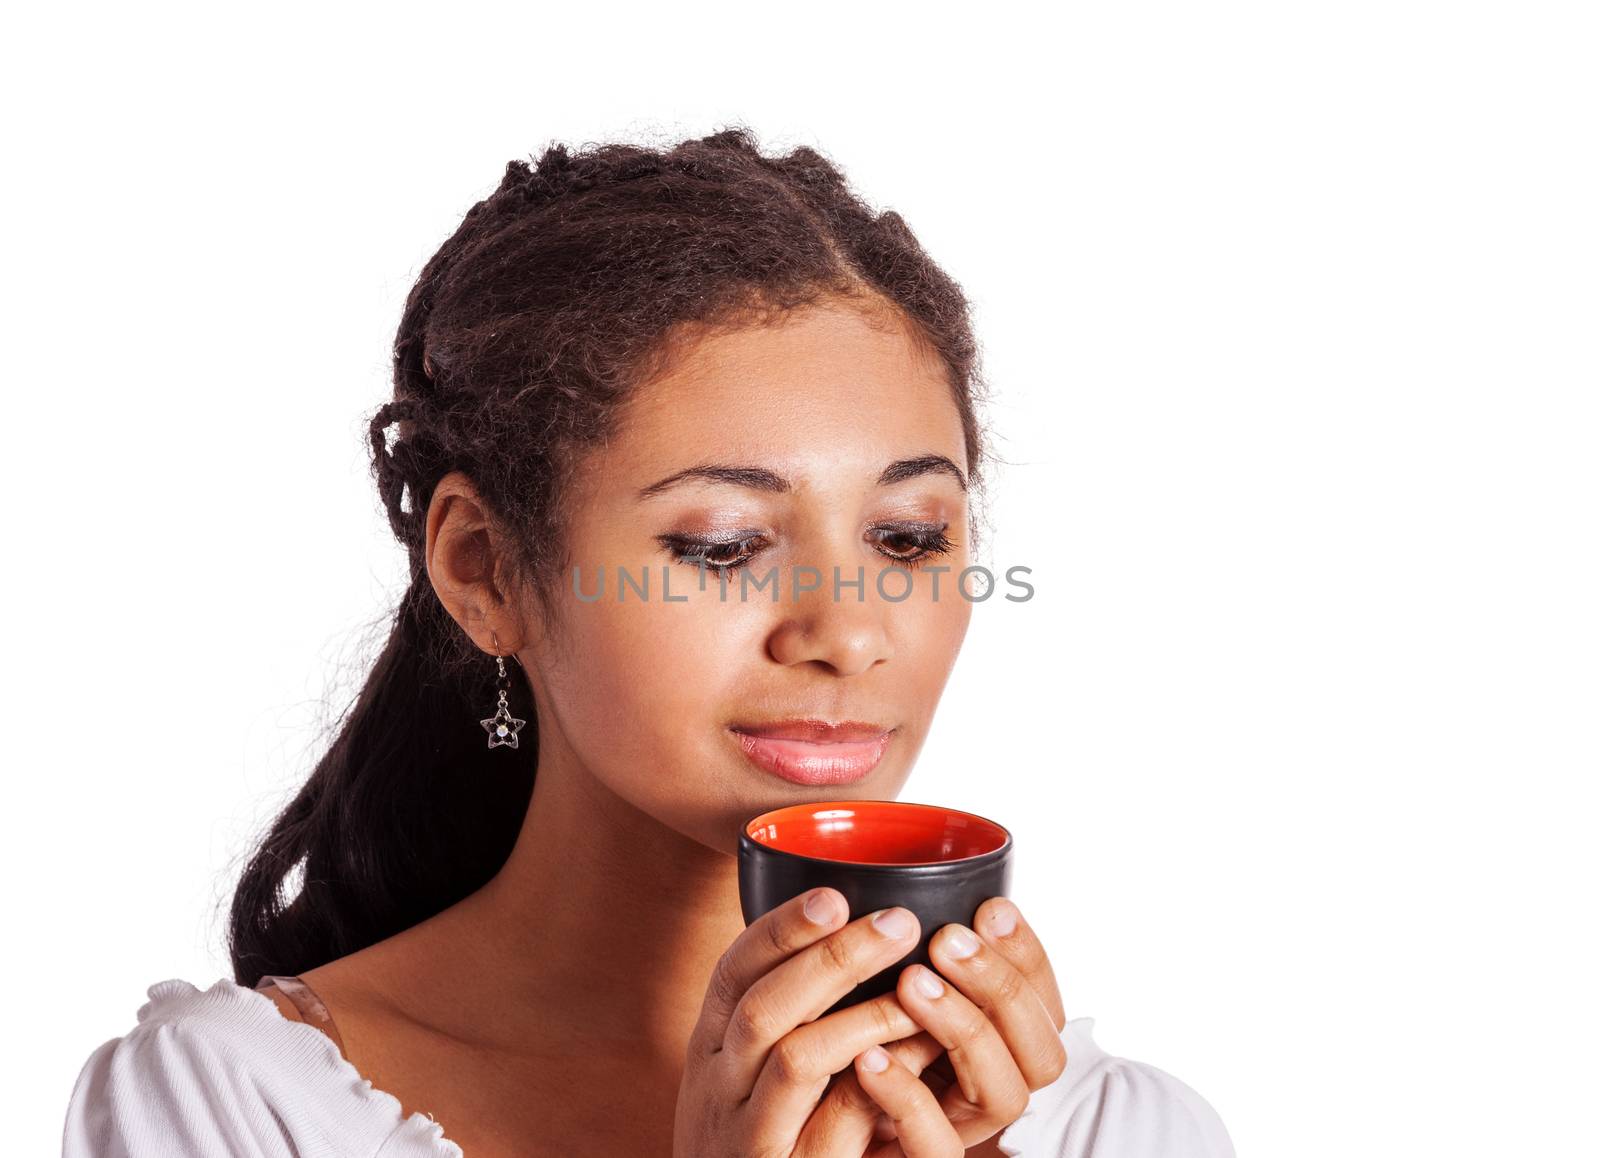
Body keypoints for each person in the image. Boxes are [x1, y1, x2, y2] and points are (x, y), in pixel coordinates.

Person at [62, 127, 1234, 1157]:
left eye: (908, 534)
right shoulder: (232, 1108)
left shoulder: (1124, 1134)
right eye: (722, 546)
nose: (848, 632)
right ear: (483, 569)